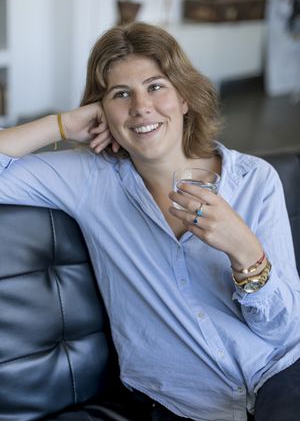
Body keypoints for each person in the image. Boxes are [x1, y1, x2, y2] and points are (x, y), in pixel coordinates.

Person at [0, 22, 300, 421]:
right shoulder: (89, 180)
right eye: (121, 94)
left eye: (155, 86)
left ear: (184, 99)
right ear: (101, 110)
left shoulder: (253, 180)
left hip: (279, 378)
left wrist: (245, 252)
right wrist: (62, 125)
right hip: (179, 403)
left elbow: (284, 333)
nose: (141, 107)